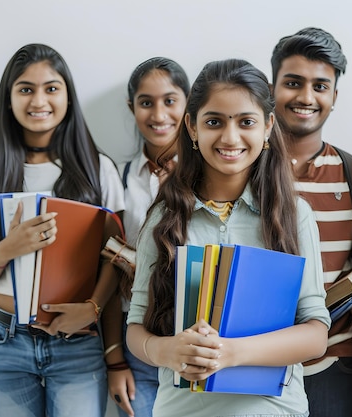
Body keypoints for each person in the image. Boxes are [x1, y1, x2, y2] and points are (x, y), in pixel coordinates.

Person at [125, 58, 330, 416]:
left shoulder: (294, 215)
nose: (230, 138)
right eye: (214, 122)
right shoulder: (164, 218)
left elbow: (315, 334)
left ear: (268, 126)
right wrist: (164, 351)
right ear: (192, 126)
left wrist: (231, 354)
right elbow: (136, 328)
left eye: (246, 122)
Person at [0, 43, 125, 417]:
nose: (39, 100)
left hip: (77, 342)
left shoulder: (99, 169)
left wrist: (93, 309)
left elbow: (118, 259)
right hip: (2, 341)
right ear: (9, 99)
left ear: (68, 96)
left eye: (51, 88)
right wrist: (8, 248)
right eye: (25, 89)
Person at [271, 27, 352, 417]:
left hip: (335, 359)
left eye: (320, 86)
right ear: (272, 87)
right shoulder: (242, 169)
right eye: (293, 83)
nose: (306, 97)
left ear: (334, 97)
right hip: (257, 359)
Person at [107, 57, 190, 417]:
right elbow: (106, 278)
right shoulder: (119, 178)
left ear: (189, 104)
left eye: (170, 100)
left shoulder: (210, 176)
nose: (159, 114)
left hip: (193, 336)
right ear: (132, 107)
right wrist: (114, 360)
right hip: (139, 341)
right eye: (146, 102)